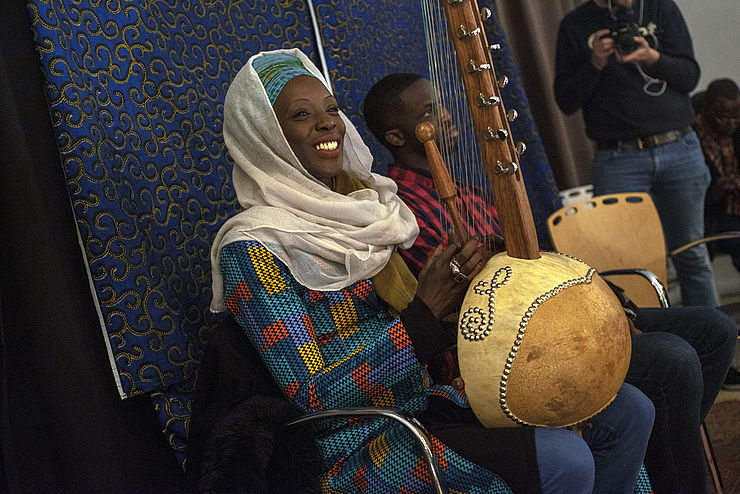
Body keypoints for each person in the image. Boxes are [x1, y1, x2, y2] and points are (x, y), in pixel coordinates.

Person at [208, 49, 655, 494]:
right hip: (356, 441)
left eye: (331, 109)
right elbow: (314, 394)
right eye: (301, 114)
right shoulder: (254, 248)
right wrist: (424, 314)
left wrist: (462, 297)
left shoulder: (369, 211)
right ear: (265, 136)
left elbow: (419, 324)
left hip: (430, 404)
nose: (327, 123)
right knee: (564, 458)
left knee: (626, 411)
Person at [363, 72, 737, 494]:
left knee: (714, 329)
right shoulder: (404, 210)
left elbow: (526, 266)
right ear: (395, 136)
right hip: (521, 344)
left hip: (556, 315)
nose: (448, 116)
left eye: (442, 105)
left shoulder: (467, 191)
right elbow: (483, 295)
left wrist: (609, 303)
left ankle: (661, 443)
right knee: (674, 359)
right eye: (430, 111)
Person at [554, 0, 718, 308]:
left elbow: (691, 76)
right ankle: (654, 350)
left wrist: (654, 57)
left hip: (678, 147)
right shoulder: (575, 25)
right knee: (626, 265)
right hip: (618, 159)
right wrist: (595, 64)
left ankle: (713, 348)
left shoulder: (661, 8)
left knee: (692, 254)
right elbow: (565, 100)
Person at [693, 78, 740, 390]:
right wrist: (717, 189)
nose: (731, 123)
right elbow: (692, 197)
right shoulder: (693, 137)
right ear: (708, 109)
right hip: (712, 216)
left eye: (736, 116)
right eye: (724, 117)